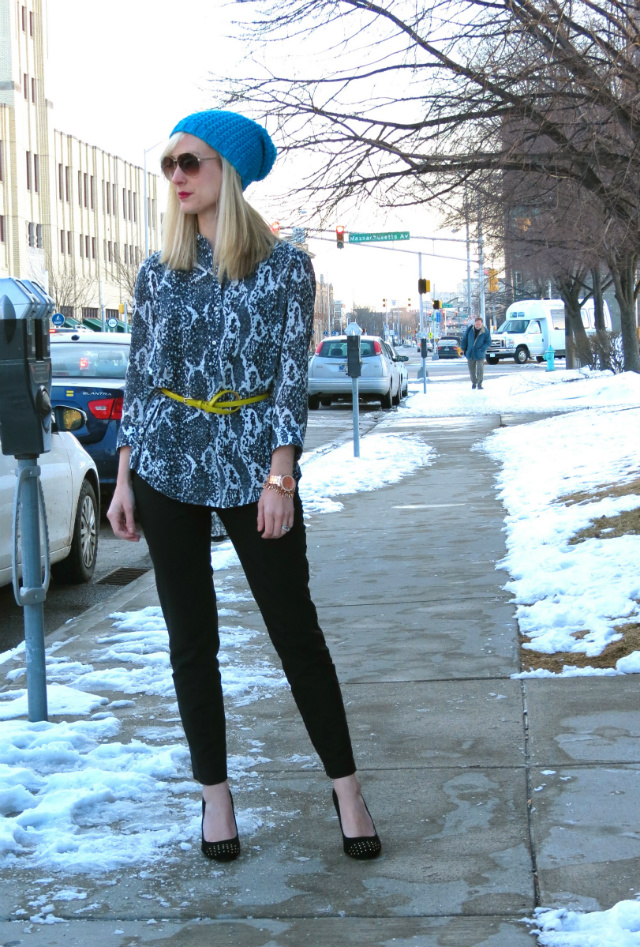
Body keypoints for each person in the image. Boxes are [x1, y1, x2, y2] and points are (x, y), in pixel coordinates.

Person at [106, 109, 381, 863]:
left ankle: (347, 787)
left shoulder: (286, 267)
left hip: (251, 459)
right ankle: (216, 799)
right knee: (191, 641)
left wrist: (281, 476)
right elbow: (141, 377)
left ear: (225, 168)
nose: (177, 178)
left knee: (296, 632)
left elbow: (290, 379)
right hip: (165, 462)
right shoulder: (157, 271)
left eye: (188, 162)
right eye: (168, 166)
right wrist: (125, 475)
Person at [461, 316, 492, 388]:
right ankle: (474, 382)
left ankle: (480, 384)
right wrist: (463, 349)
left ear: (482, 324)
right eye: (476, 324)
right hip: (470, 353)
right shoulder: (469, 330)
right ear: (474, 323)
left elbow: (488, 342)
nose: (477, 326)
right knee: (471, 369)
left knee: (480, 369)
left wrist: (482, 348)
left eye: (479, 324)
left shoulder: (485, 331)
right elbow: (464, 340)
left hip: (480, 353)